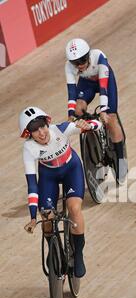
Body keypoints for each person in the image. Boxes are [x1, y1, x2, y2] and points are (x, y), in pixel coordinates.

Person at [20, 106, 103, 277]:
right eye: (35, 131)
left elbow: (98, 124)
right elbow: (32, 184)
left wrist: (87, 126)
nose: (42, 133)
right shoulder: (29, 148)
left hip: (71, 170)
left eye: (42, 127)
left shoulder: (60, 129)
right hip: (48, 177)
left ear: (47, 123)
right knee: (47, 216)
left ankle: (78, 253)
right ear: (28, 134)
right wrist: (33, 216)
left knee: (74, 209)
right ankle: (53, 247)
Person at [65, 38, 127, 183]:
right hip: (87, 84)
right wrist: (70, 113)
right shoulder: (68, 66)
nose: (79, 66)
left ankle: (121, 161)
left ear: (88, 56)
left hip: (105, 81)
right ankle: (95, 139)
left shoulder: (98, 56)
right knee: (78, 110)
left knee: (111, 119)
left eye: (82, 61)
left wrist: (104, 110)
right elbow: (71, 92)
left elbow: (104, 88)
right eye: (75, 63)